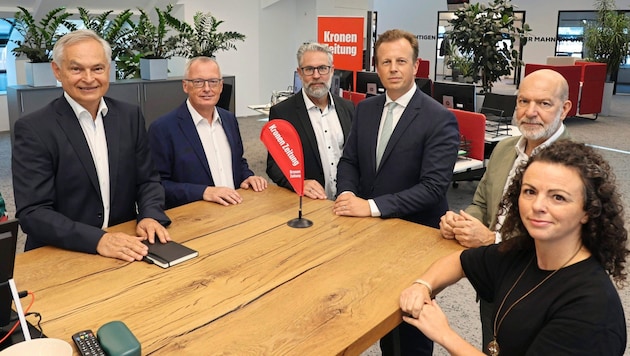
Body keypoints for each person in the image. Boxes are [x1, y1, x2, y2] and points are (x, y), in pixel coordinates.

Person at [400, 140, 628, 355]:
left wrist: (445, 335)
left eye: (558, 197)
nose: (537, 205)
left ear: (588, 212)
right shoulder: (525, 251)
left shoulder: (591, 310)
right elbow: (460, 261)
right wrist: (423, 285)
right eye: (530, 191)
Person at [334, 29, 460, 355]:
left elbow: (433, 188)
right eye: (385, 62)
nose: (393, 68)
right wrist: (348, 195)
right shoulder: (365, 109)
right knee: (374, 311)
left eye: (401, 61)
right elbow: (349, 161)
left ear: (416, 66)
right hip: (367, 235)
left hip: (413, 238)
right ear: (376, 67)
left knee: (409, 327)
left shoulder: (439, 118)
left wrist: (371, 206)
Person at [439, 68, 573, 347]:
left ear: (564, 109)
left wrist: (492, 239)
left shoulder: (575, 163)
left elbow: (565, 239)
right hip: (493, 279)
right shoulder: (504, 148)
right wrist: (461, 221)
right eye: (524, 101)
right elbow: (481, 203)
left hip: (538, 289)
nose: (530, 112)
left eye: (544, 103)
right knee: (493, 344)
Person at [12, 29, 171, 262]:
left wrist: (149, 215)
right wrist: (97, 239)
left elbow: (147, 180)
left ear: (108, 69)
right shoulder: (34, 128)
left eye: (97, 68)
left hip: (125, 244)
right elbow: (33, 213)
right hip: (61, 252)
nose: (89, 78)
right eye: (76, 69)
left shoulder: (130, 116)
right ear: (57, 71)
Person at [148, 57, 267, 209]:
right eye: (198, 82)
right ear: (185, 86)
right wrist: (203, 192)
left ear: (221, 86)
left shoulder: (229, 119)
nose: (207, 88)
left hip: (235, 208)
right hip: (196, 218)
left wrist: (248, 176)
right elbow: (156, 186)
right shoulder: (163, 128)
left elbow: (238, 162)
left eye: (213, 82)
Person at [266, 42, 355, 200]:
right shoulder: (282, 113)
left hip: (348, 201)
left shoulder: (348, 108)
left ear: (332, 70)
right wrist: (301, 182)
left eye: (322, 68)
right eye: (309, 69)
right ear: (299, 73)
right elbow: (275, 165)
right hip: (310, 204)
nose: (316, 75)